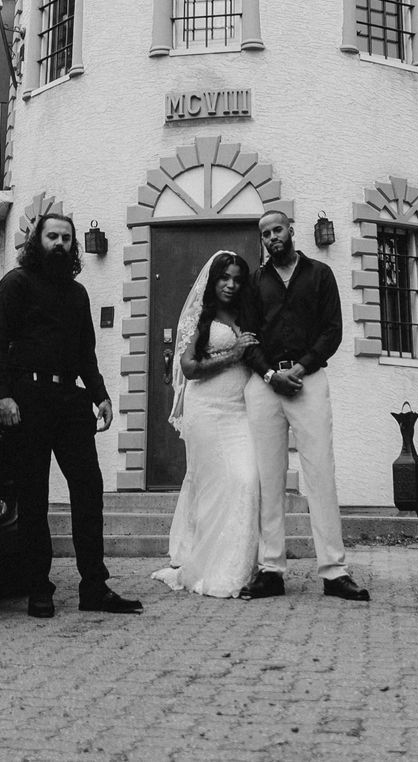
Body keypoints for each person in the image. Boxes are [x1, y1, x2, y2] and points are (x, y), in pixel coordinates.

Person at [0, 212, 143, 617]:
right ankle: (39, 589)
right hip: (27, 400)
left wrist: (101, 395)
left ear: (74, 245)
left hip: (70, 403)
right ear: (37, 242)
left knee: (89, 491)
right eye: (52, 236)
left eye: (66, 238)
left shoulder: (77, 294)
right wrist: (4, 397)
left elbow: (84, 352)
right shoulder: (16, 284)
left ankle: (95, 587)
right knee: (34, 499)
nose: (59, 243)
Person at [240, 210, 369, 602]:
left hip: (309, 381)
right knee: (268, 477)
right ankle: (271, 569)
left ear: (291, 231)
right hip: (265, 386)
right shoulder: (254, 282)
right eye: (265, 233)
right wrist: (269, 375)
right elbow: (247, 338)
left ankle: (334, 571)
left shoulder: (320, 274)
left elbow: (333, 330)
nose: (272, 237)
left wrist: (300, 367)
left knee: (320, 474)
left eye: (277, 229)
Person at [152, 251, 262, 599]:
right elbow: (189, 368)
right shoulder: (201, 315)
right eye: (224, 278)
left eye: (237, 279)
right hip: (207, 411)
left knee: (246, 478)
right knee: (214, 487)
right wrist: (233, 355)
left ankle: (240, 565)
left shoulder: (246, 313)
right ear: (213, 281)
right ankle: (210, 565)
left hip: (241, 410)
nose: (231, 285)